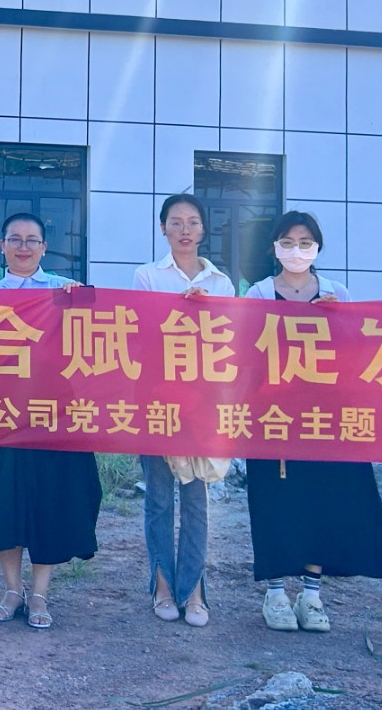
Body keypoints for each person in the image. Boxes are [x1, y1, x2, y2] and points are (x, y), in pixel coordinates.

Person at [0, 213, 100, 630]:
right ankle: (12, 589)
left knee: (50, 500)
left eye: (32, 240)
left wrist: (82, 299)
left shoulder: (64, 290)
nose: (24, 247)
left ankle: (40, 594)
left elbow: (103, 325)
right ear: (2, 246)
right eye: (15, 239)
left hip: (54, 413)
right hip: (2, 412)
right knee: (4, 503)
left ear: (44, 248)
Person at [243, 211, 382, 632]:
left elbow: (358, 355)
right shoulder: (258, 293)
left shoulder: (336, 292)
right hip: (272, 415)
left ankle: (311, 594)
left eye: (305, 242)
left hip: (325, 418)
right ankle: (275, 592)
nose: (297, 250)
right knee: (275, 501)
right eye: (288, 242)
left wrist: (340, 321)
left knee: (321, 501)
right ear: (274, 247)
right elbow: (242, 350)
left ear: (318, 247)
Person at [132, 192, 233, 628]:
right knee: (158, 498)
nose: (185, 230)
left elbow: (231, 340)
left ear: (203, 229)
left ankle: (194, 589)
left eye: (192, 222)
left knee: (197, 497)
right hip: (158, 399)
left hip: (204, 403)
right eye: (176, 222)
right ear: (163, 229)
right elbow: (140, 332)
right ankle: (161, 585)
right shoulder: (147, 275)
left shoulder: (221, 283)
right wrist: (179, 311)